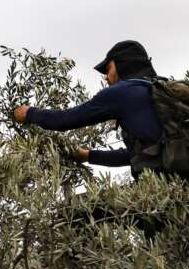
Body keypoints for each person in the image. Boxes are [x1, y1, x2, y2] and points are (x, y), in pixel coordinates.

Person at [13, 40, 164, 174]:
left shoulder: (122, 92)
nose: (106, 77)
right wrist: (87, 156)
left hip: (161, 191)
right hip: (183, 186)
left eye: (108, 69)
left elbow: (64, 120)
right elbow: (138, 155)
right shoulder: (161, 90)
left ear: (122, 65)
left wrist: (29, 113)